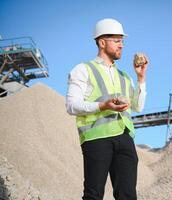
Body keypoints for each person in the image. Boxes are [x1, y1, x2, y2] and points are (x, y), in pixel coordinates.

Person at [66, 18, 148, 200]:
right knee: (93, 195)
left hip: (124, 138)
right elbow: (71, 106)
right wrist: (103, 105)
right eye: (117, 40)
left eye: (122, 41)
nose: (122, 45)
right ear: (102, 42)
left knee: (128, 195)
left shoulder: (124, 76)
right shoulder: (83, 70)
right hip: (97, 139)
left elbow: (138, 106)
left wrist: (141, 78)